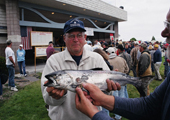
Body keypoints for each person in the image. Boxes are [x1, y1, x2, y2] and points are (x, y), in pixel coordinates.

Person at [41, 18, 113, 120]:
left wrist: (108, 90)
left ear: (85, 38)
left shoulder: (97, 59)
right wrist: (56, 97)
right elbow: (47, 99)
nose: (75, 39)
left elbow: (106, 93)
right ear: (64, 38)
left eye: (79, 35)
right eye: (71, 36)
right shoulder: (53, 61)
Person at [106, 47, 129, 120]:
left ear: (108, 53)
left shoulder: (108, 61)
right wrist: (123, 75)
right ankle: (124, 112)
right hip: (122, 80)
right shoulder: (121, 59)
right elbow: (127, 69)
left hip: (113, 83)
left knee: (115, 99)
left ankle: (118, 116)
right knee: (122, 96)